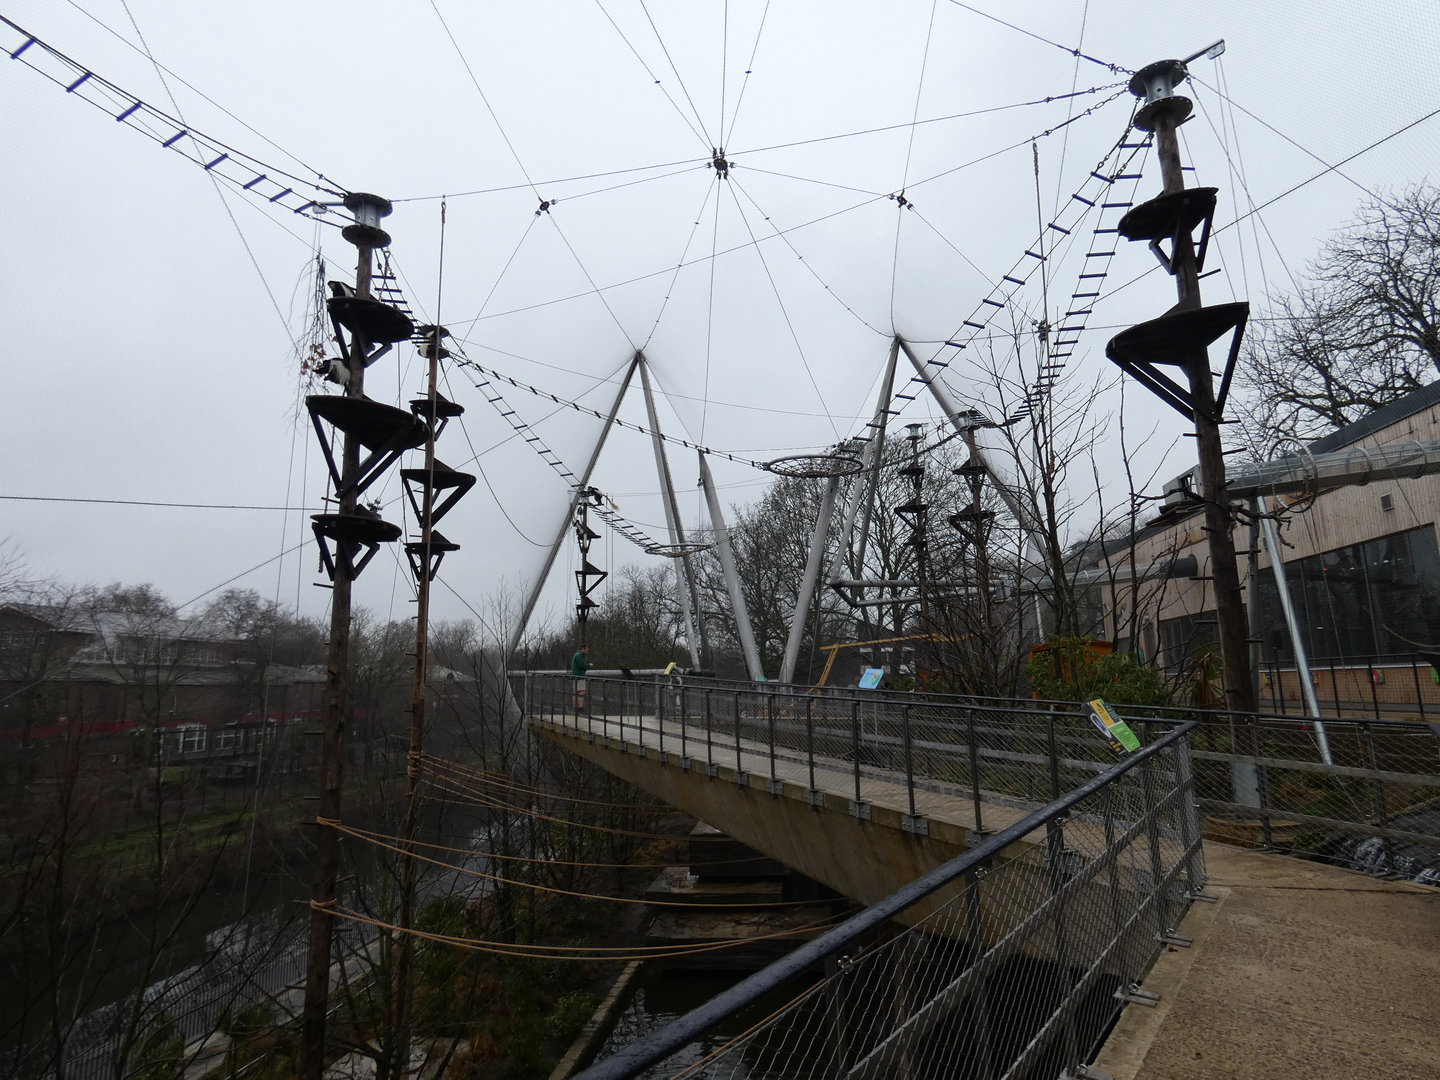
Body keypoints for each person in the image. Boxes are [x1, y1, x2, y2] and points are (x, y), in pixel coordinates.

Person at [570, 645, 590, 710]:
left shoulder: (578, 655)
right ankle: (580, 708)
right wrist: (588, 665)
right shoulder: (579, 655)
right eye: (587, 649)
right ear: (583, 649)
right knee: (581, 691)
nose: (588, 651)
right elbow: (582, 665)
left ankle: (575, 708)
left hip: (576, 676)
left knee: (576, 692)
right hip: (579, 676)